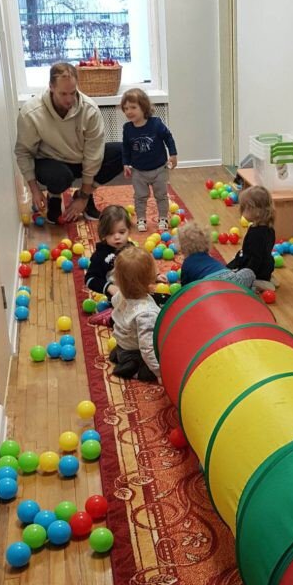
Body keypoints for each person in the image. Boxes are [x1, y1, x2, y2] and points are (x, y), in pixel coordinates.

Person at [14, 61, 124, 224]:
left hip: (80, 159)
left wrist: (84, 197)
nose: (69, 99)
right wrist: (35, 190)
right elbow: (23, 152)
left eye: (73, 93)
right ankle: (54, 196)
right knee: (60, 177)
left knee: (124, 151)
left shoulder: (90, 110)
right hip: (51, 163)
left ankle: (84, 194)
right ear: (51, 87)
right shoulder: (31, 112)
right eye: (63, 94)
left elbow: (93, 155)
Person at [121, 88, 178, 234]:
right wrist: (125, 163)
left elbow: (168, 138)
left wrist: (173, 154)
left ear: (144, 107)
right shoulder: (127, 128)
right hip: (138, 171)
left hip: (159, 169)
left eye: (133, 107)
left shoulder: (156, 124)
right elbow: (125, 147)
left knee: (161, 195)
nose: (129, 111)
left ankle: (163, 218)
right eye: (126, 108)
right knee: (140, 197)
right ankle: (141, 219)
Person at [109, 247, 161, 382]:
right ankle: (132, 370)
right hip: (134, 353)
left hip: (123, 344)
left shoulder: (121, 294)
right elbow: (147, 348)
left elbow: (114, 303)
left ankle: (120, 356)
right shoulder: (146, 313)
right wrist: (159, 372)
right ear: (150, 278)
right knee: (160, 365)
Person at [226, 185, 277, 290]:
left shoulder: (256, 234)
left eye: (244, 208)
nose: (241, 212)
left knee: (229, 275)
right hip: (266, 266)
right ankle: (266, 277)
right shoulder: (269, 229)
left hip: (255, 270)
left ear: (256, 211)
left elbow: (255, 259)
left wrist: (247, 274)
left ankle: (260, 282)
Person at [176, 223, 255, 289]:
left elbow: (185, 289)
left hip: (210, 287)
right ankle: (248, 292)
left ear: (183, 248)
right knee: (249, 272)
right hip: (231, 280)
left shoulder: (187, 263)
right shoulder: (209, 258)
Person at [84, 204, 133, 298]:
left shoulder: (131, 247)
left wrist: (154, 276)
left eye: (122, 232)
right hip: (119, 299)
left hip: (137, 293)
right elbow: (89, 280)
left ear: (129, 230)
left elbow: (141, 267)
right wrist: (109, 287)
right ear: (103, 234)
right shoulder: (100, 255)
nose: (117, 237)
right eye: (111, 233)